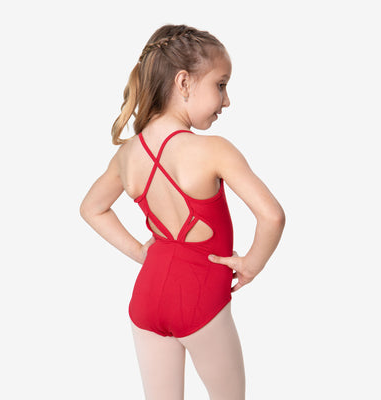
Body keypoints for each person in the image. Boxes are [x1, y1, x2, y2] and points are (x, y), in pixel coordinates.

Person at [80, 24, 285, 400]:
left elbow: (92, 208)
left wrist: (139, 252)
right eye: (221, 85)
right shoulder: (214, 150)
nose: (226, 101)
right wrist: (251, 264)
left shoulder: (127, 155)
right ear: (184, 82)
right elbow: (272, 216)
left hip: (146, 298)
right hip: (200, 298)